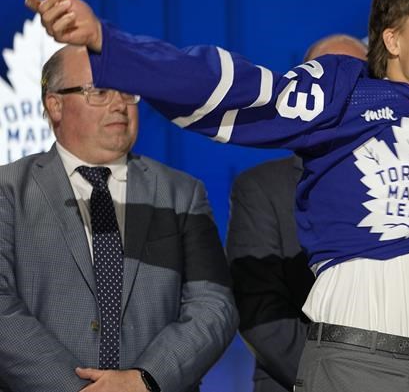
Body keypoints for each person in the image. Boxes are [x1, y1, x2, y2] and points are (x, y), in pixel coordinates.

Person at [26, 0, 409, 391]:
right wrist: (108, 43)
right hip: (354, 367)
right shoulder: (343, 97)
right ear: (393, 39)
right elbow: (238, 87)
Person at [0, 45, 238, 392]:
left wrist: (145, 379)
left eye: (127, 92)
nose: (119, 105)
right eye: (99, 92)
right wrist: (77, 389)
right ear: (55, 104)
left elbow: (213, 305)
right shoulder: (8, 190)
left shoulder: (181, 193)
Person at [226, 34, 367, 392]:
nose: (344, 92)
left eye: (359, 80)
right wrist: (344, 383)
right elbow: (260, 313)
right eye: (329, 79)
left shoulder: (407, 184)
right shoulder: (261, 188)